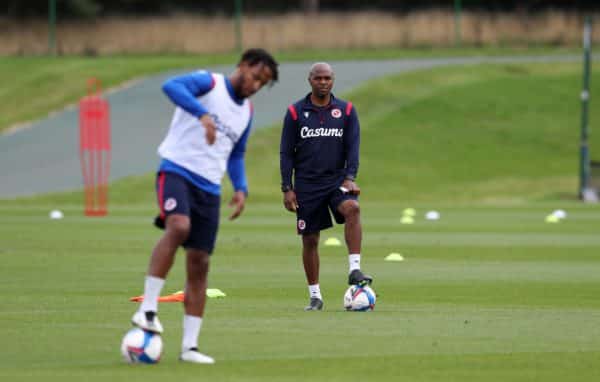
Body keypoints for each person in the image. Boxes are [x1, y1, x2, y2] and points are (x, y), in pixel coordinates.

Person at [130, 48, 278, 364]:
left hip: (210, 188)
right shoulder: (208, 83)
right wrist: (202, 114)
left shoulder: (246, 112)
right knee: (178, 227)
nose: (254, 86)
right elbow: (171, 86)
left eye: (261, 84)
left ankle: (190, 348)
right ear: (242, 65)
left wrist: (241, 188)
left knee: (200, 263)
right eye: (255, 77)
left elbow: (236, 153)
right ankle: (148, 309)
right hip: (177, 170)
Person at [279, 62, 373, 312]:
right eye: (318, 78)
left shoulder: (346, 110)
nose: (323, 82)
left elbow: (353, 148)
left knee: (352, 208)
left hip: (336, 181)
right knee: (310, 240)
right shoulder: (296, 112)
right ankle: (315, 296)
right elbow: (286, 153)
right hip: (307, 186)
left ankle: (354, 269)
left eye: (328, 78)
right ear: (309, 80)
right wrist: (287, 188)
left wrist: (350, 177)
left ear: (333, 80)